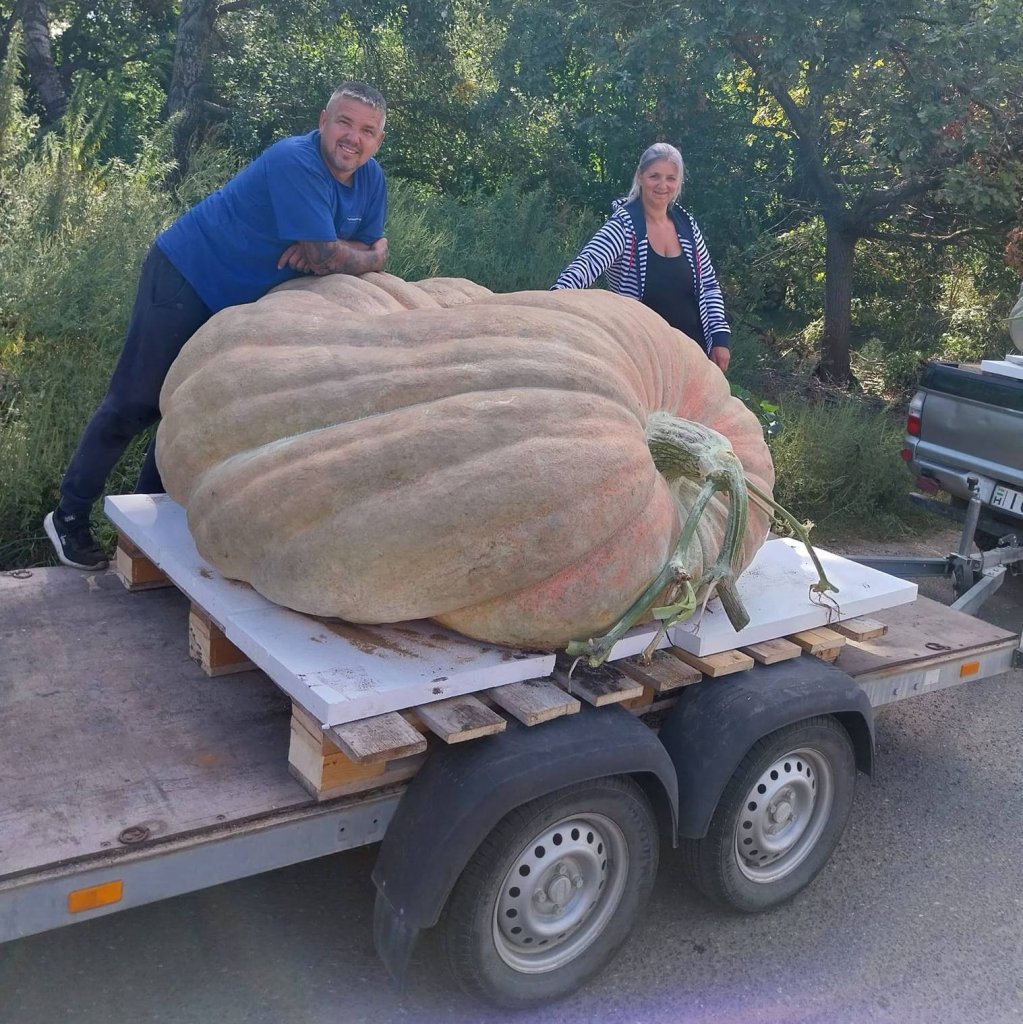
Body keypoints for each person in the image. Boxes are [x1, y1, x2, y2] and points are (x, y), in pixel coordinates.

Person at [44, 81, 389, 571]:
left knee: (193, 411)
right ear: (323, 121)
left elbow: (359, 255)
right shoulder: (295, 161)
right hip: (189, 273)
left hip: (240, 304)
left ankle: (142, 533)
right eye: (344, 123)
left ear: (378, 140)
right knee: (136, 402)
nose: (353, 138)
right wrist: (345, 253)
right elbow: (331, 255)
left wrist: (346, 253)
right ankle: (68, 515)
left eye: (367, 131)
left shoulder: (371, 181)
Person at [552, 142, 731, 372]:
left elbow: (708, 285)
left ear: (678, 182)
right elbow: (586, 265)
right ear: (640, 176)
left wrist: (719, 337)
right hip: (641, 360)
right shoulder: (624, 226)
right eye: (654, 176)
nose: (662, 185)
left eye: (670, 178)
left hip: (693, 356)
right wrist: (554, 302)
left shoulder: (687, 226)